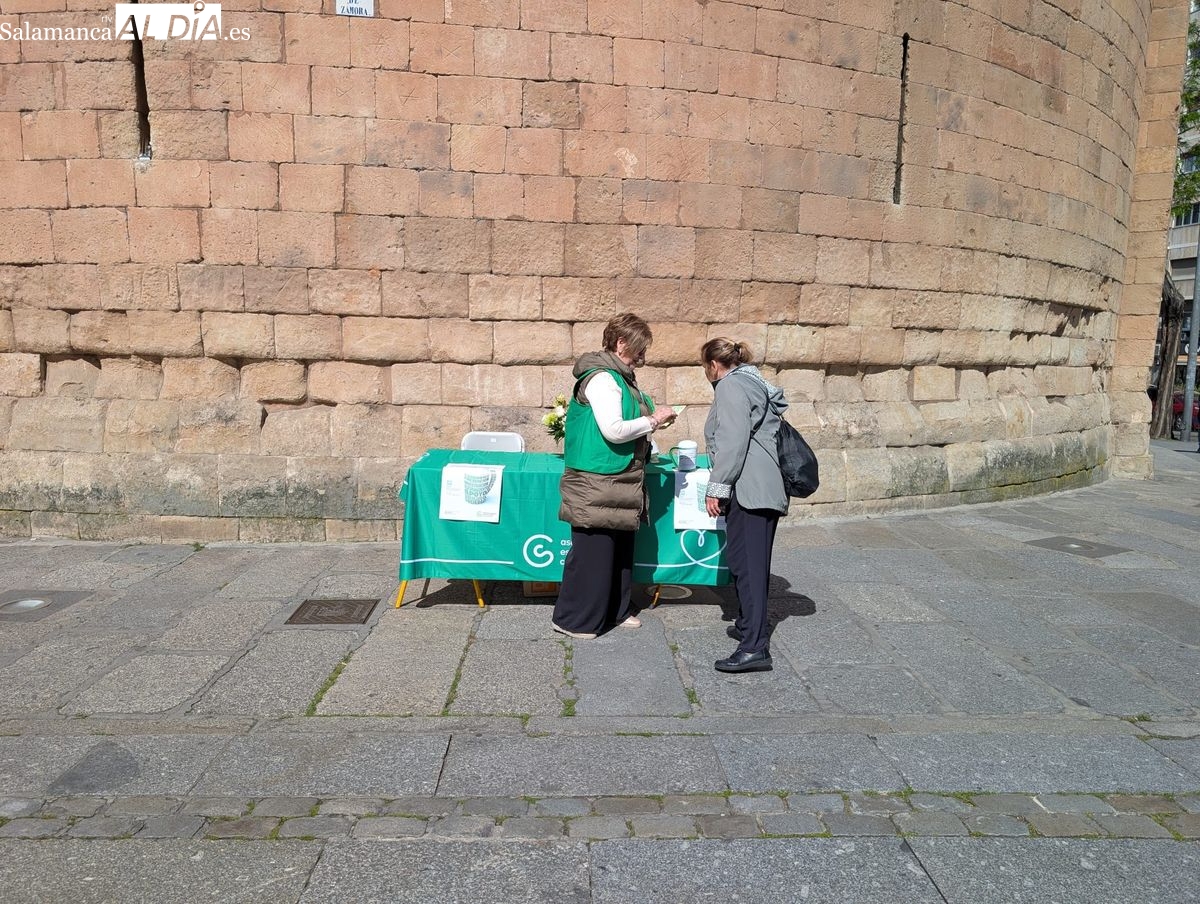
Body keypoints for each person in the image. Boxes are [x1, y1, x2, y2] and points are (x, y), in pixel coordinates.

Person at [552, 314, 677, 639]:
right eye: (639, 349)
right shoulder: (602, 379)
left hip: (617, 480)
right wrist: (653, 420)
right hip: (596, 482)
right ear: (621, 343)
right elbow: (614, 430)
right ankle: (574, 620)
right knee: (594, 554)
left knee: (618, 550)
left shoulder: (621, 378)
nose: (643, 357)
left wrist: (653, 424)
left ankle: (616, 611)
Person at [700, 338, 789, 673]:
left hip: (751, 489)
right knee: (745, 561)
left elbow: (733, 442)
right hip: (761, 486)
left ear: (713, 364)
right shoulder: (752, 381)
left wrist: (716, 488)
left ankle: (754, 648)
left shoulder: (731, 385)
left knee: (748, 567)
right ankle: (749, 624)